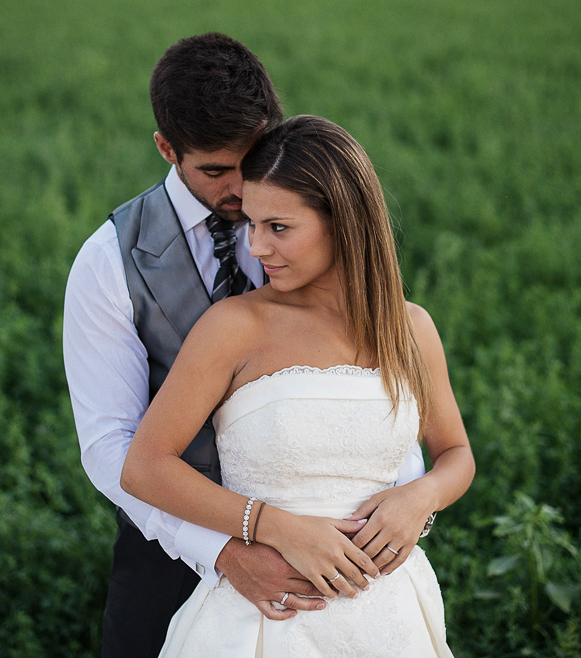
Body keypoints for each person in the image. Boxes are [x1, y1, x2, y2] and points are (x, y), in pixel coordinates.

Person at [63, 34, 426, 656]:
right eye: (214, 170)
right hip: (171, 552)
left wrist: (402, 498)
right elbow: (109, 446)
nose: (239, 189)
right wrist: (228, 551)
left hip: (344, 565)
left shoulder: (311, 223)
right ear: (166, 149)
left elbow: (368, 385)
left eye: (251, 158)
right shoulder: (107, 262)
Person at [121, 115, 475, 657]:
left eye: (279, 227)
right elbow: (144, 466)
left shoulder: (410, 327)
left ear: (344, 222)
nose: (258, 247)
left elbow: (455, 453)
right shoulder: (234, 327)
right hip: (266, 621)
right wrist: (272, 527)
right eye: (252, 225)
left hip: (389, 618)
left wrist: (420, 498)